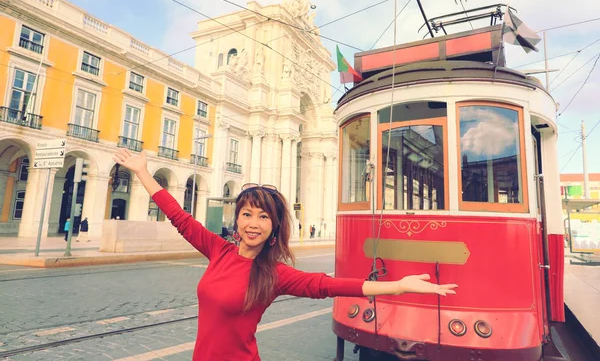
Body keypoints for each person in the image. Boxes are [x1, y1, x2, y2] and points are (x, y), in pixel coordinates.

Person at [112, 148, 457, 361]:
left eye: (264, 217)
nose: (253, 223)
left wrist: (398, 287)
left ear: (274, 228)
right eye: (247, 214)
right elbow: (179, 216)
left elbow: (329, 286)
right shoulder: (218, 250)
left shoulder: (274, 275)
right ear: (238, 219)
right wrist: (142, 171)